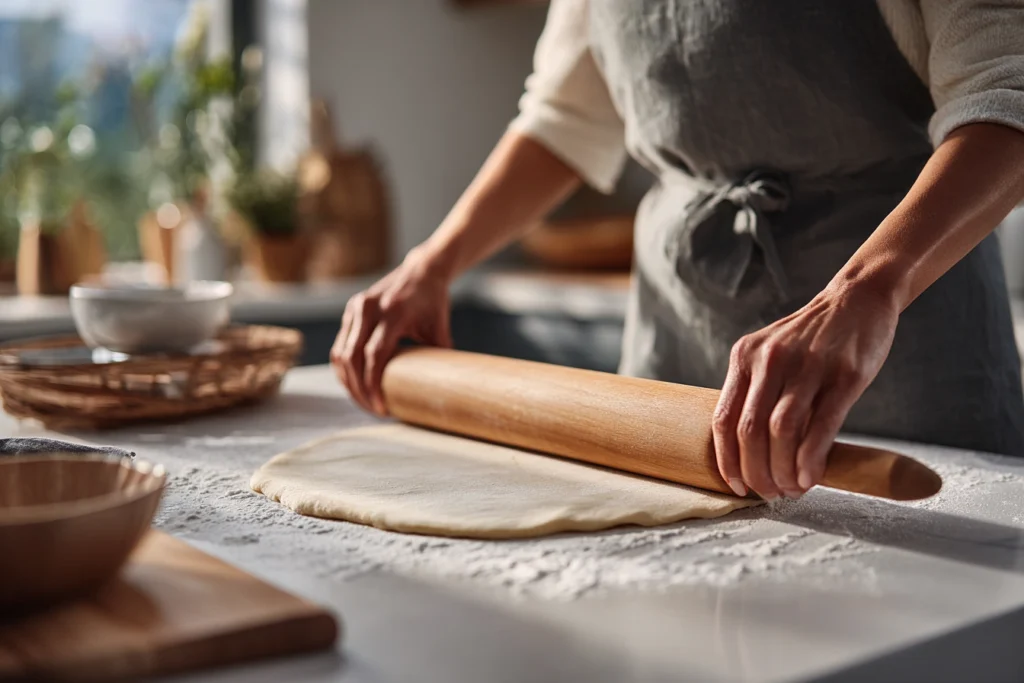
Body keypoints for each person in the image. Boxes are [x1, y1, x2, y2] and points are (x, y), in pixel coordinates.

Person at [332, 0, 1024, 501]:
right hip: (673, 359)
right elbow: (567, 119)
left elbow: (1007, 92)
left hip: (901, 339)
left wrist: (868, 288)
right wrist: (433, 263)